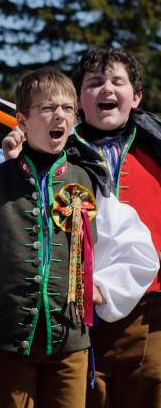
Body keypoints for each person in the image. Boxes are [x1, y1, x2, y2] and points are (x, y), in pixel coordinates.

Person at [0, 67, 157, 407]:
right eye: (46, 108)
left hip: (70, 343)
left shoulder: (88, 182)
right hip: (9, 344)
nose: (58, 115)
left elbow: (137, 247)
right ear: (22, 121)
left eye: (67, 109)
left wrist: (105, 284)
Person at [69, 49, 161, 408]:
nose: (106, 89)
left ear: (135, 97)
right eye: (94, 83)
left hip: (151, 311)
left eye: (116, 82)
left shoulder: (155, 151)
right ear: (78, 99)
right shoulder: (57, 152)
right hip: (77, 311)